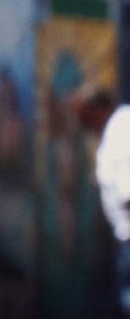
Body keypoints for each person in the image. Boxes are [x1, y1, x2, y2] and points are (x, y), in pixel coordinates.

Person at [74, 83, 130, 314]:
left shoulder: (121, 128)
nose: (82, 125)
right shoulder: (116, 127)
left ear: (96, 109)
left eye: (83, 117)